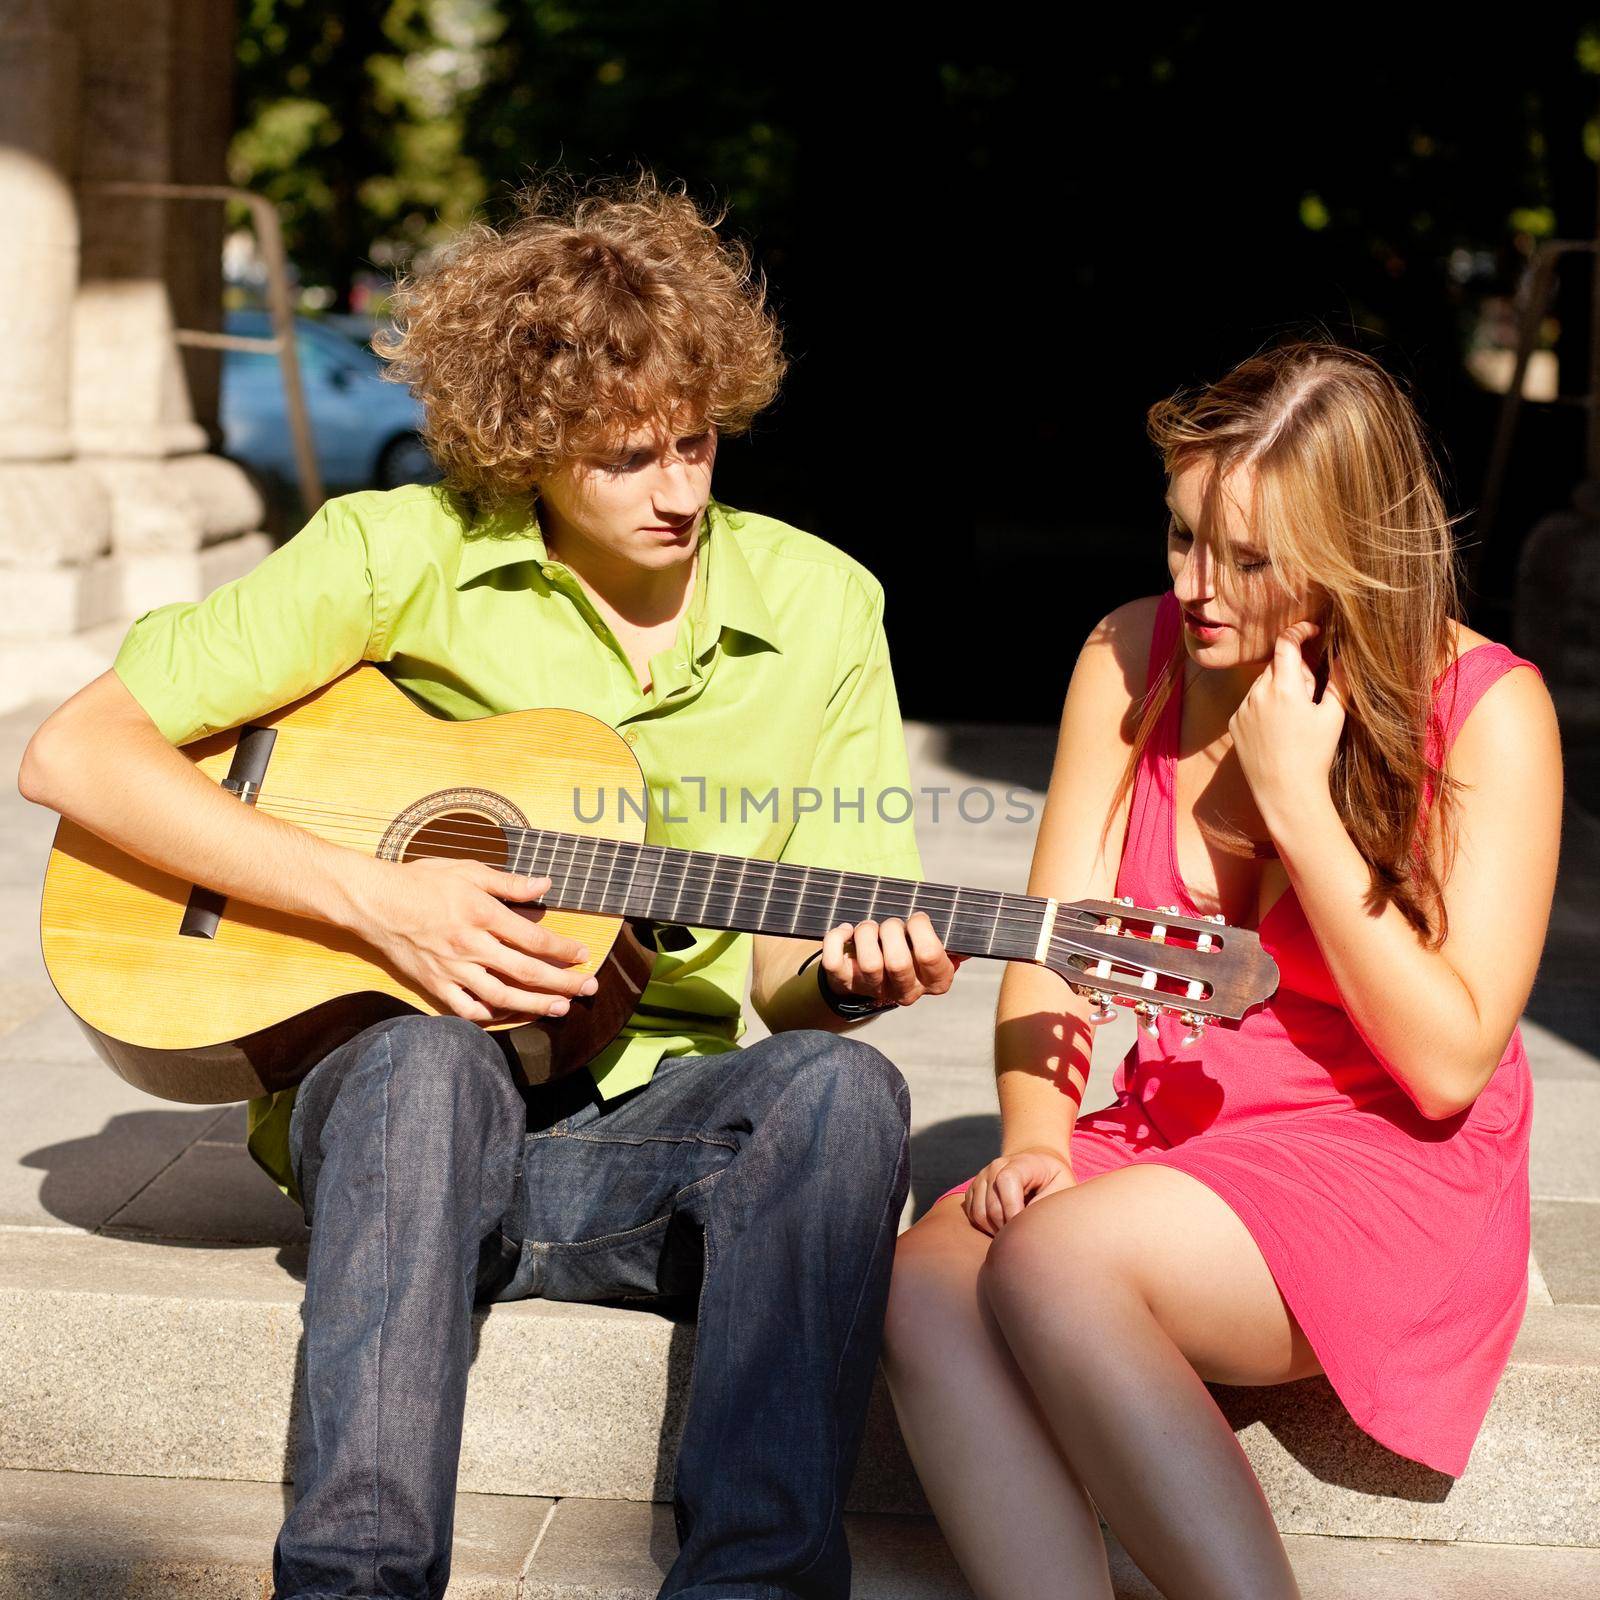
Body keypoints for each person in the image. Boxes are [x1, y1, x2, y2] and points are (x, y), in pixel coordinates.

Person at [18, 172, 961, 1600]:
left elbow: (789, 990)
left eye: (698, 443)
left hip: (645, 1148)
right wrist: (369, 898)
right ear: (528, 447)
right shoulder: (400, 551)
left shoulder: (824, 605)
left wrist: (848, 978)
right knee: (423, 1064)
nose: (683, 489)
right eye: (628, 456)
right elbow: (77, 752)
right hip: (397, 1138)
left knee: (844, 1098)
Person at [879, 338, 1562, 1600]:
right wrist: (1034, 1132)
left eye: (1250, 558)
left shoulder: (1486, 709)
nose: (1200, 585)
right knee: (927, 1283)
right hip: (1176, 1132)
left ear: (1353, 549)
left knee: (1056, 1259)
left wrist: (1302, 808)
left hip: (1382, 1155)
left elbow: (1446, 1060)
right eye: (1184, 536)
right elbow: (1052, 950)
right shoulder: (1126, 656)